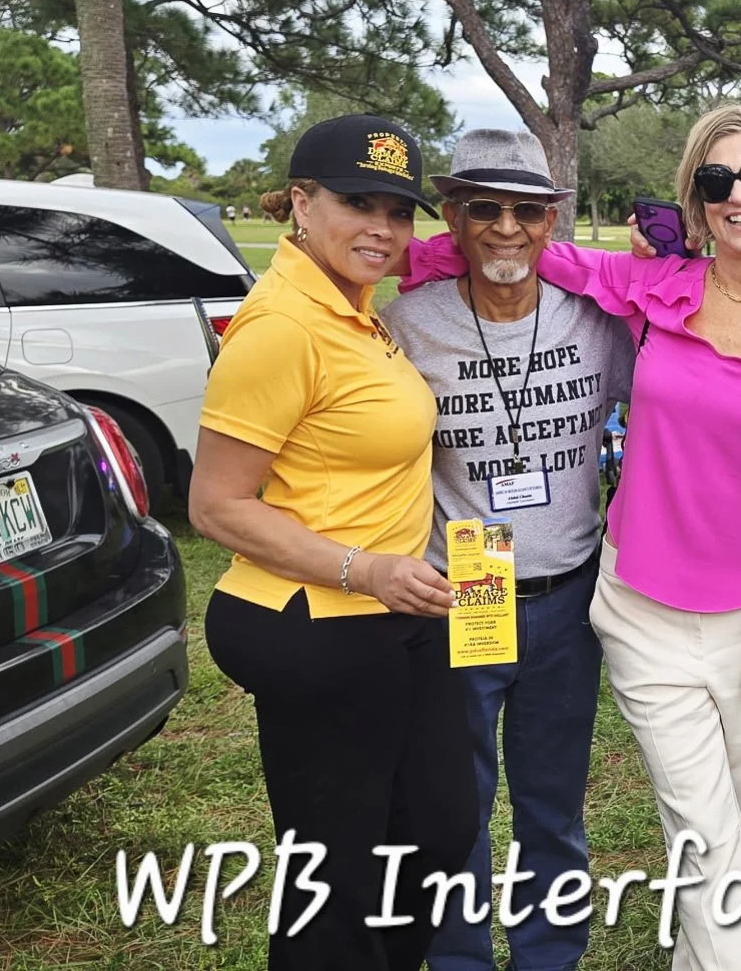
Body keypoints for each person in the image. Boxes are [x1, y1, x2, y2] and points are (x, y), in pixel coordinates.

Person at [546, 102, 741, 970]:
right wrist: (406, 249)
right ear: (697, 200)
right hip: (644, 610)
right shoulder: (658, 290)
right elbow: (532, 252)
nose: (739, 195)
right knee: (705, 829)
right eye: (716, 182)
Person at [188, 114, 478, 971]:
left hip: (396, 610)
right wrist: (365, 567)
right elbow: (216, 506)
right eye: (358, 203)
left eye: (399, 210)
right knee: (336, 872)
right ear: (301, 204)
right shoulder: (282, 325)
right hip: (314, 618)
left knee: (433, 829)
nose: (383, 228)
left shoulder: (354, 309)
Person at [379, 129, 633, 971]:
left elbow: (677, 403)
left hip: (570, 595)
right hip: (462, 594)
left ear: (551, 221)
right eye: (483, 208)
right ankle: (456, 959)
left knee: (552, 803)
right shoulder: (407, 326)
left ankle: (549, 955)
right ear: (451, 218)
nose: (505, 228)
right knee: (456, 802)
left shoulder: (598, 323)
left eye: (525, 210)